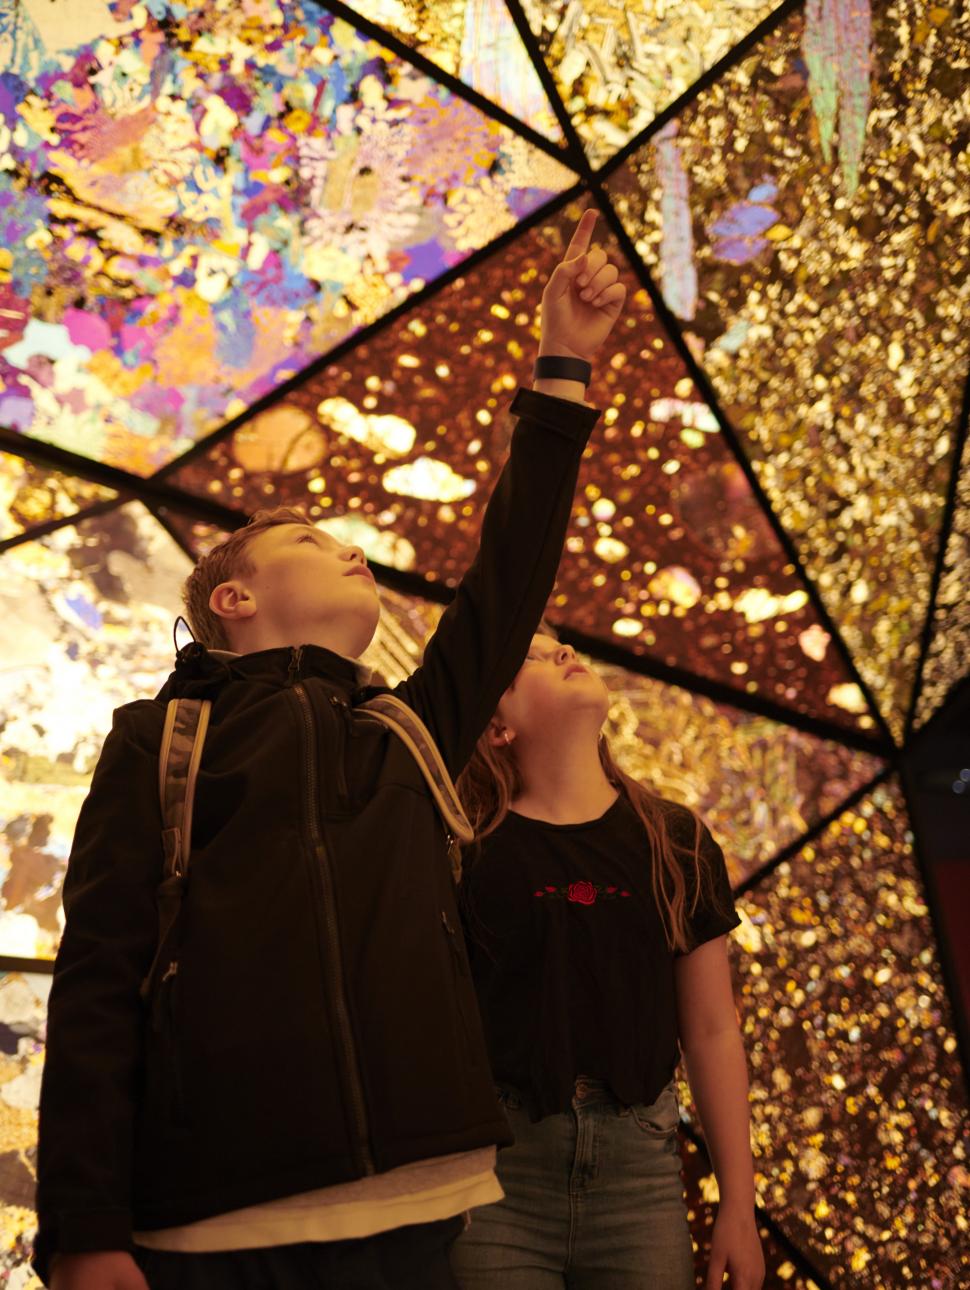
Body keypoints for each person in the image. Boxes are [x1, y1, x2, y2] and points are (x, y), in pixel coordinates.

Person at [33, 209, 628, 1290]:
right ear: (235, 596)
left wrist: (565, 366)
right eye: (311, 539)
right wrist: (85, 1225)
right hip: (214, 1228)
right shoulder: (161, 742)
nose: (351, 547)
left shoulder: (404, 729)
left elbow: (509, 577)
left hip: (419, 1207)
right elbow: (99, 977)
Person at [450, 629, 766, 1290]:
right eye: (528, 657)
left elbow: (711, 1030)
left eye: (561, 645)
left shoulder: (674, 837)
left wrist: (739, 1203)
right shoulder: (464, 847)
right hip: (495, 1180)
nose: (562, 652)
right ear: (496, 726)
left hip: (641, 1177)